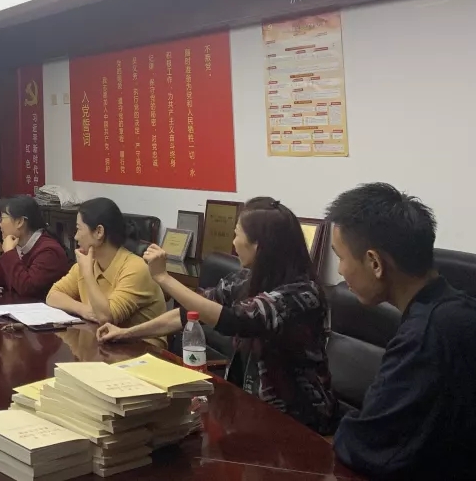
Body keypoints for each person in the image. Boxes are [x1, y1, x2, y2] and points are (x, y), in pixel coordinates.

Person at [96, 197, 337, 435]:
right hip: (247, 406)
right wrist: (126, 333)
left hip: (298, 421)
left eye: (237, 235)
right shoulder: (248, 278)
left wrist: (163, 278)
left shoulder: (302, 294)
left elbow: (234, 321)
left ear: (258, 246)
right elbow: (188, 313)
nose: (233, 243)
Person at [327, 183, 476, 479]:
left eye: (340, 257)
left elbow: (366, 445)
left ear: (375, 263)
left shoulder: (425, 338)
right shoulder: (454, 308)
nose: (340, 270)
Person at [45, 198, 166, 345]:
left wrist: (88, 274)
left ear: (99, 232)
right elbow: (52, 296)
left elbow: (105, 318)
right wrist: (83, 310)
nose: (75, 236)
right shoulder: (88, 263)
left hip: (143, 350)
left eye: (79, 229)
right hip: (106, 343)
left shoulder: (136, 269)